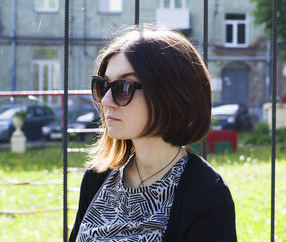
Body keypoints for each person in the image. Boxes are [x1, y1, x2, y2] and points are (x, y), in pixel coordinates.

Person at [69, 26, 237, 242]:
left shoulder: (206, 193)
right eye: (103, 86)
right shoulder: (97, 177)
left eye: (123, 88)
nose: (106, 101)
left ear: (168, 93)